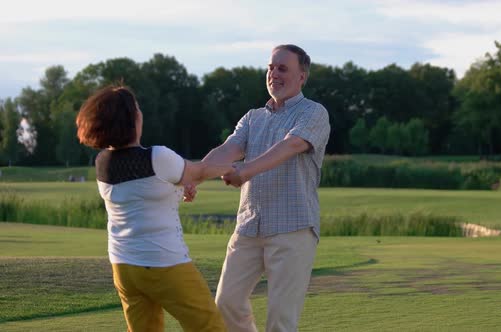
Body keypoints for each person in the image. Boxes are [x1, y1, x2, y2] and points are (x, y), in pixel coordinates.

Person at [76, 85, 229, 332]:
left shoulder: (102, 161)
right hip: (163, 262)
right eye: (137, 108)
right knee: (209, 326)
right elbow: (199, 171)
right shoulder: (156, 157)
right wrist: (237, 166)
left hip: (124, 267)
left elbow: (141, 194)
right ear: (133, 118)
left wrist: (179, 188)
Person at [201, 44, 330, 332]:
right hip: (249, 228)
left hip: (292, 228)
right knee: (226, 303)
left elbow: (290, 146)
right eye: (271, 67)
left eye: (282, 68)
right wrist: (193, 177)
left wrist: (245, 171)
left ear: (302, 77)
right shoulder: (252, 118)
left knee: (281, 321)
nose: (274, 73)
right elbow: (228, 149)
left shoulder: (313, 113)